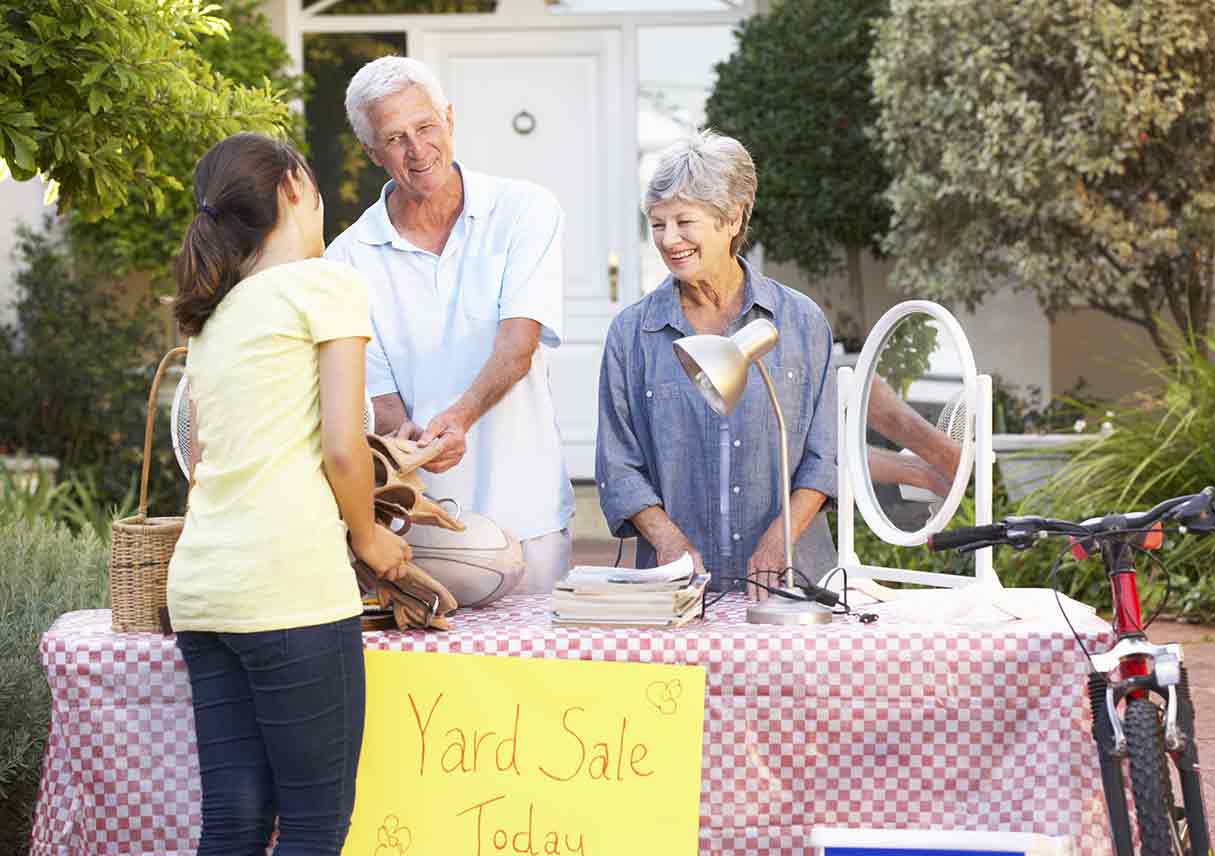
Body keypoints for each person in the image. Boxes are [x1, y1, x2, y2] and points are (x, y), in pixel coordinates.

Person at [167, 133, 410, 855]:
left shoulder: (214, 316)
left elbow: (205, 458)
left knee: (233, 824)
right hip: (289, 587)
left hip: (203, 590)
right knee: (313, 825)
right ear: (291, 191)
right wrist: (369, 537)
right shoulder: (325, 285)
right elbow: (343, 446)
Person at [325, 56, 574, 595]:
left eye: (426, 126)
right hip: (422, 530)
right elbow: (376, 394)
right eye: (396, 138)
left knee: (543, 652)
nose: (418, 150)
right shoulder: (345, 258)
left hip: (529, 513)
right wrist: (405, 437)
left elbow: (519, 344)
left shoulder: (524, 210)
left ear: (450, 119)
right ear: (372, 152)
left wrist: (460, 418)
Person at [596, 131, 837, 598]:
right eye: (657, 223)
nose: (669, 240)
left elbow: (826, 458)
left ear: (733, 218)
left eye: (684, 221)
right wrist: (669, 541)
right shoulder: (631, 335)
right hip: (680, 593)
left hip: (790, 586)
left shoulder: (800, 322)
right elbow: (618, 466)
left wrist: (779, 541)